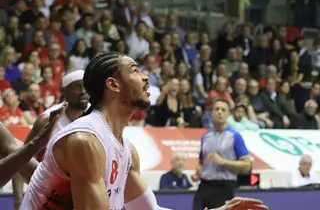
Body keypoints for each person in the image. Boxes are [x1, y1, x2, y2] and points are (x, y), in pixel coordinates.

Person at [22, 53, 264, 210]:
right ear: (113, 84)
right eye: (136, 70)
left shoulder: (126, 150)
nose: (146, 77)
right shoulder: (84, 141)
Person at [192, 99, 253, 210]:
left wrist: (223, 162)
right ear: (211, 113)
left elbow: (247, 165)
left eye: (223, 110)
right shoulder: (205, 137)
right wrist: (198, 172)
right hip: (204, 186)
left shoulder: (235, 136)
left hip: (224, 186)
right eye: (216, 109)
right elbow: (201, 162)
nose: (219, 112)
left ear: (228, 114)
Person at [25, 70, 88, 161]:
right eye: (77, 87)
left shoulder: (97, 115)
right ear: (64, 91)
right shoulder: (47, 119)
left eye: (86, 86)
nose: (83, 91)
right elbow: (26, 156)